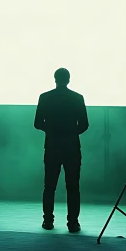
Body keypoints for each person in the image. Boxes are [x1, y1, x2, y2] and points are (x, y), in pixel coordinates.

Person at [34, 68, 89, 232]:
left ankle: (48, 221)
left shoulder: (45, 97)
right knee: (73, 187)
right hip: (72, 146)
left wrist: (51, 130)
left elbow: (37, 123)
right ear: (69, 79)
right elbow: (85, 124)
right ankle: (73, 222)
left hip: (52, 146)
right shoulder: (77, 98)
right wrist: (71, 133)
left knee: (49, 186)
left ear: (55, 79)